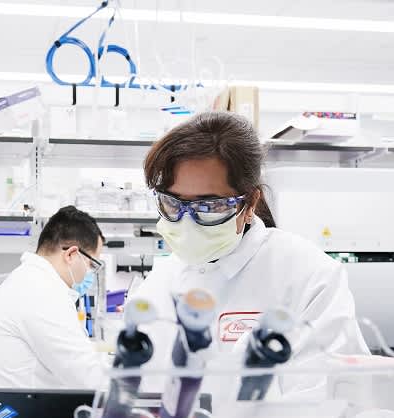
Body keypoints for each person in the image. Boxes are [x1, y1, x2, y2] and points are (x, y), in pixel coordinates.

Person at [132, 111, 368, 389]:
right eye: (173, 203)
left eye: (210, 206)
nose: (186, 222)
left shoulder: (309, 274)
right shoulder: (163, 277)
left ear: (250, 204)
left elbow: (335, 393)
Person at [0, 205, 108, 389]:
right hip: (19, 415)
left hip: (6, 409)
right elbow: (89, 378)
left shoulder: (26, 281)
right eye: (91, 264)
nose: (90, 273)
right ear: (72, 254)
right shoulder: (43, 294)